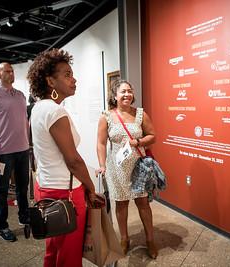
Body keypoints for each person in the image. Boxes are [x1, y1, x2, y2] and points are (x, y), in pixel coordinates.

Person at [27, 48, 104, 267]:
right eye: (67, 74)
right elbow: (73, 160)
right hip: (65, 193)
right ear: (50, 81)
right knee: (69, 256)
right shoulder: (55, 112)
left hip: (46, 188)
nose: (74, 79)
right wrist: (90, 188)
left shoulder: (39, 108)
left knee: (53, 250)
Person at [96, 79, 158, 259]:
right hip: (116, 168)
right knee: (121, 204)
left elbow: (153, 136)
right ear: (115, 96)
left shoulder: (140, 114)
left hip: (139, 167)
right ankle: (124, 239)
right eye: (123, 91)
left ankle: (150, 240)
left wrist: (138, 141)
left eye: (129, 91)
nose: (127, 95)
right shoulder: (106, 116)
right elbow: (100, 144)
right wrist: (102, 165)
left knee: (143, 204)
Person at [0, 62, 30, 242]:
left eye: (12, 71)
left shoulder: (20, 95)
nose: (11, 73)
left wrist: (29, 142)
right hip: (3, 152)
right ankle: (2, 226)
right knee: (2, 191)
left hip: (23, 150)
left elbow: (24, 121)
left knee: (22, 187)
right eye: (7, 71)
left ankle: (23, 216)